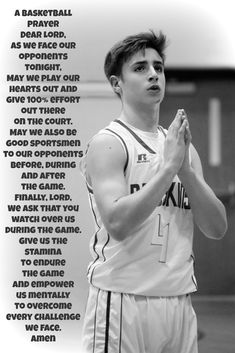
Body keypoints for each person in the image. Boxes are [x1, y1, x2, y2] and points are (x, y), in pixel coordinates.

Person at [80, 30, 227, 353]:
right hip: (123, 301)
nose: (153, 75)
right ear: (117, 83)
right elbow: (118, 224)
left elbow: (217, 228)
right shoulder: (109, 143)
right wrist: (168, 168)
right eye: (140, 68)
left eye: (158, 67)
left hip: (178, 301)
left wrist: (184, 168)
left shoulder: (180, 149)